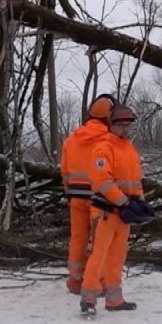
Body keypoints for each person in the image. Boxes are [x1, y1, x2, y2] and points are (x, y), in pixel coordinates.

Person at [80, 105, 155, 315]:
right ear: (111, 125)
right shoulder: (103, 148)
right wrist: (124, 202)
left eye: (128, 124)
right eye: (121, 124)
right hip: (105, 212)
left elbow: (135, 180)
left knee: (117, 257)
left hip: (123, 214)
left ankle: (114, 299)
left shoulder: (129, 149)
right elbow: (102, 181)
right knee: (98, 255)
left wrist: (140, 201)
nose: (125, 128)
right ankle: (88, 299)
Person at [59, 93, 116, 295]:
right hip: (99, 199)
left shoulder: (71, 140)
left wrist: (70, 194)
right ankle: (97, 281)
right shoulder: (108, 141)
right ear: (109, 117)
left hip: (75, 197)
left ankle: (75, 280)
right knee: (99, 241)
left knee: (78, 238)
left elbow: (65, 173)